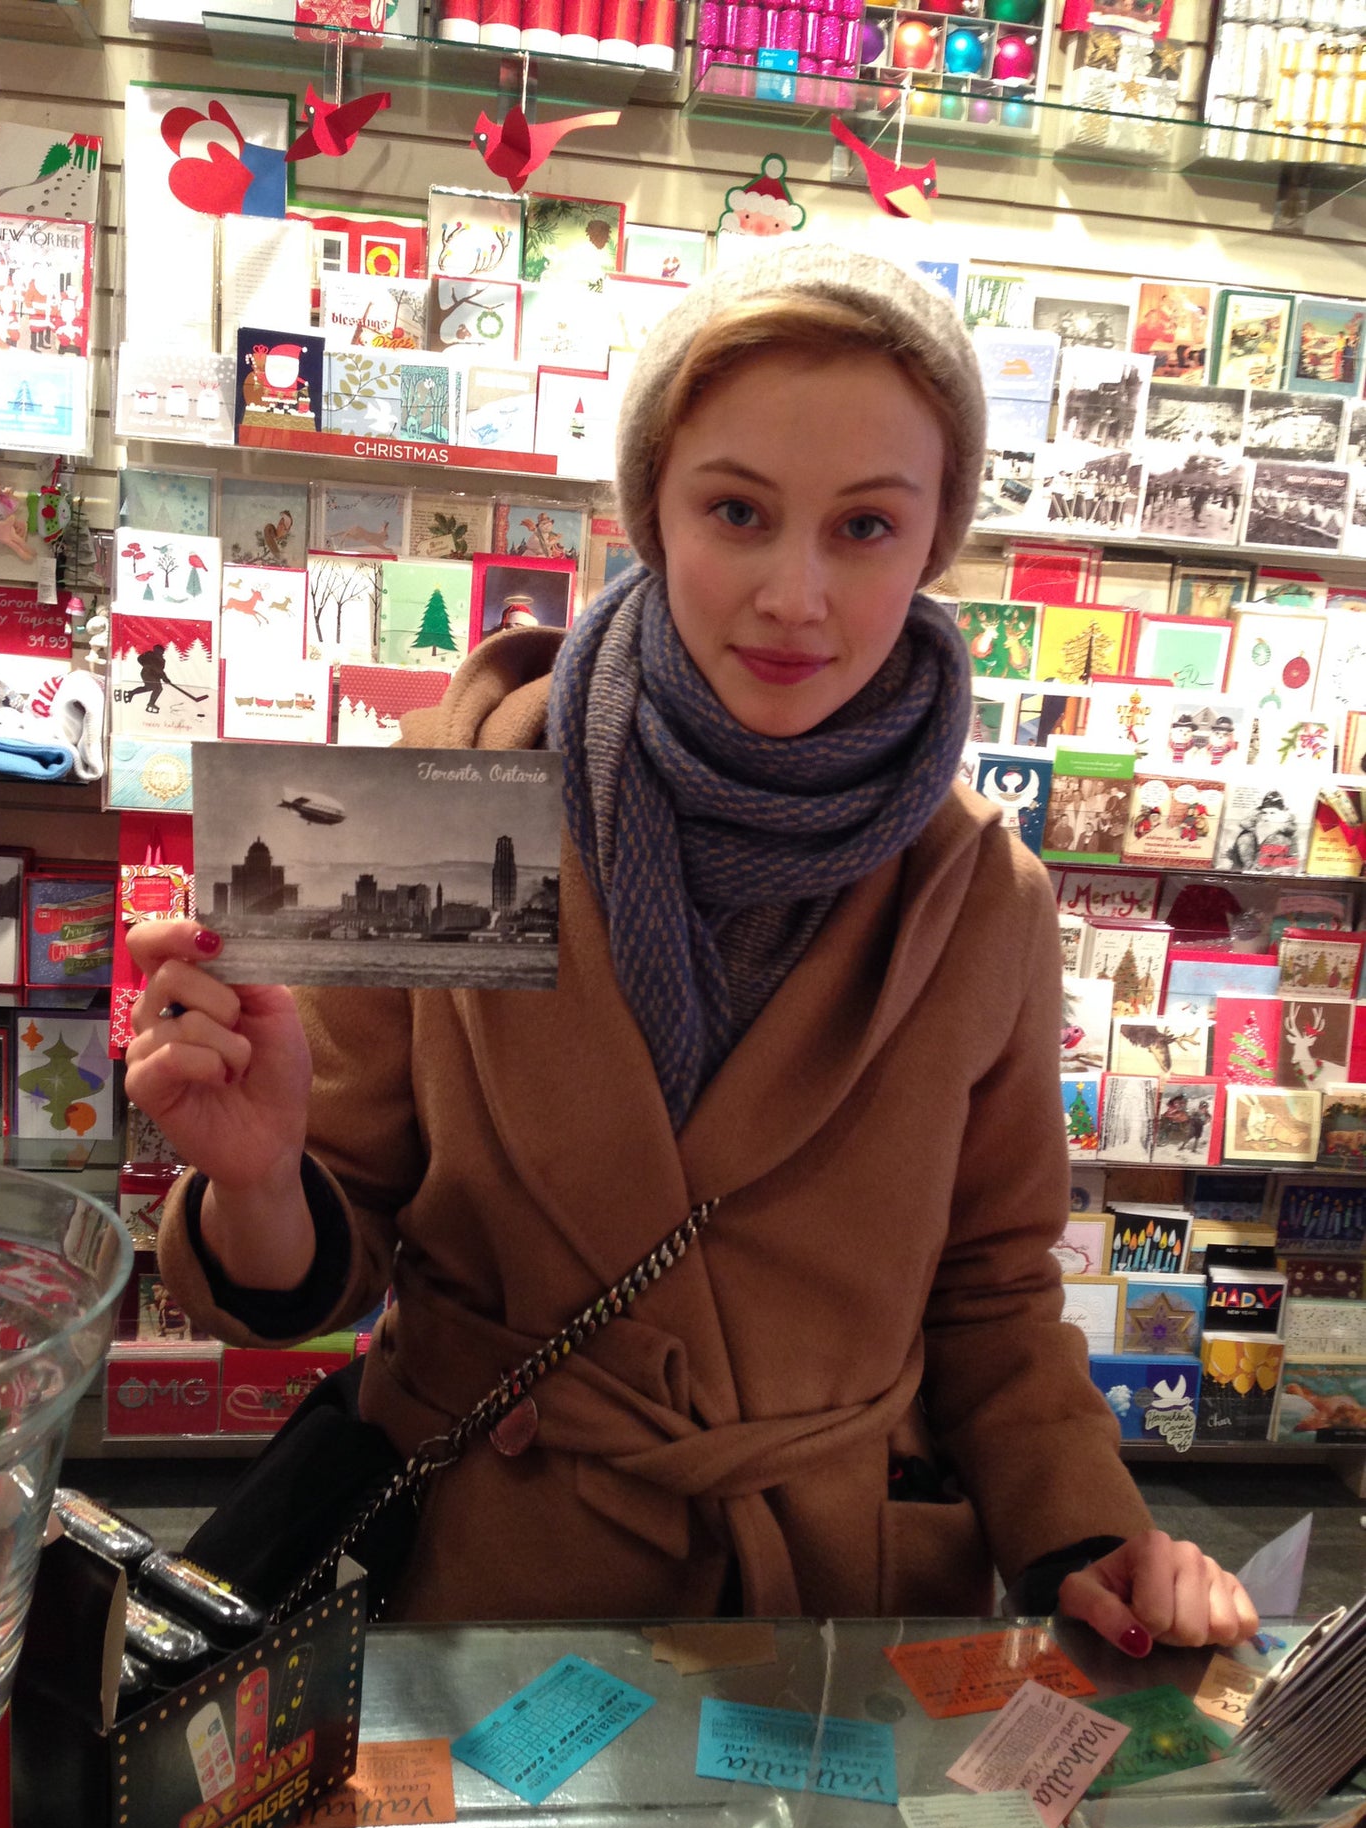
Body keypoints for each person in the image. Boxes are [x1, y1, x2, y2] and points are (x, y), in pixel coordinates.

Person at [129, 244, 1257, 1652]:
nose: (796, 595)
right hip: (499, 1578)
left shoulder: (980, 896)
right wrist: (257, 1180)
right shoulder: (436, 799)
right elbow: (328, 1245)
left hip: (835, 1609)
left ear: (935, 538)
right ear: (653, 510)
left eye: (864, 527)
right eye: (738, 511)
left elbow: (992, 1295)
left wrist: (1087, 1540)